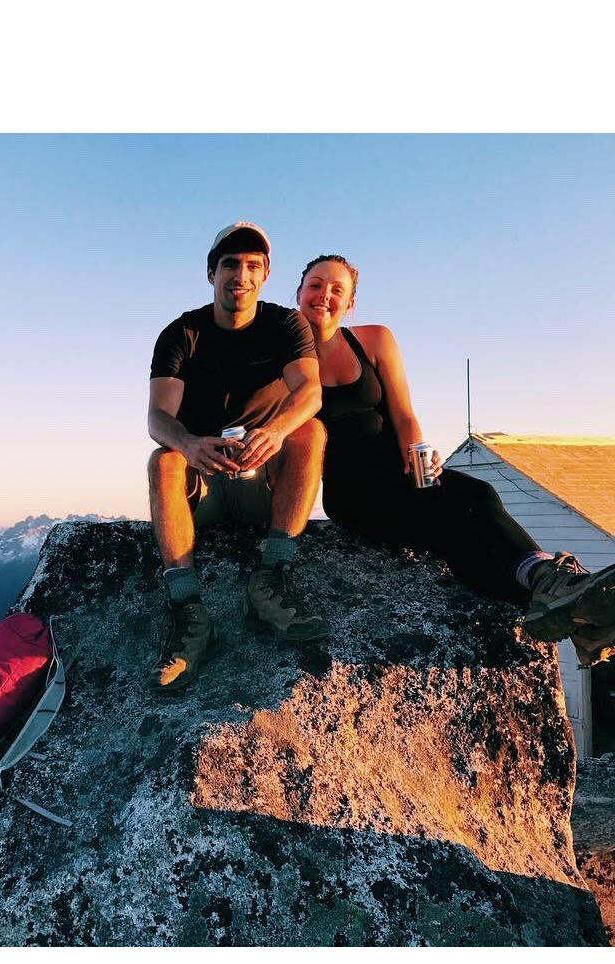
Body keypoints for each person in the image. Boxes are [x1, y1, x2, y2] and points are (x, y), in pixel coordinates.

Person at [296, 253, 615, 666]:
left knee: (455, 538)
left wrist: (418, 455)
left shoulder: (373, 339)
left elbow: (404, 414)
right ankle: (551, 585)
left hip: (403, 474)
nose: (325, 295)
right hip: (354, 495)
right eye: (316, 285)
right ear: (299, 292)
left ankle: (567, 610)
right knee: (476, 497)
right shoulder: (285, 362)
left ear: (351, 303)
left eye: (337, 289)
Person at [146, 222, 328, 694]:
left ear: (265, 274)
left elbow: (309, 392)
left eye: (252, 265)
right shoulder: (181, 333)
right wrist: (189, 445)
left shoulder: (284, 325)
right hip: (203, 481)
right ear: (211, 273)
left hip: (260, 479)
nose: (240, 275)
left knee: (310, 431)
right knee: (162, 460)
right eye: (230, 264)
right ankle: (189, 613)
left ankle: (270, 578)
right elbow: (157, 418)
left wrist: (274, 431)